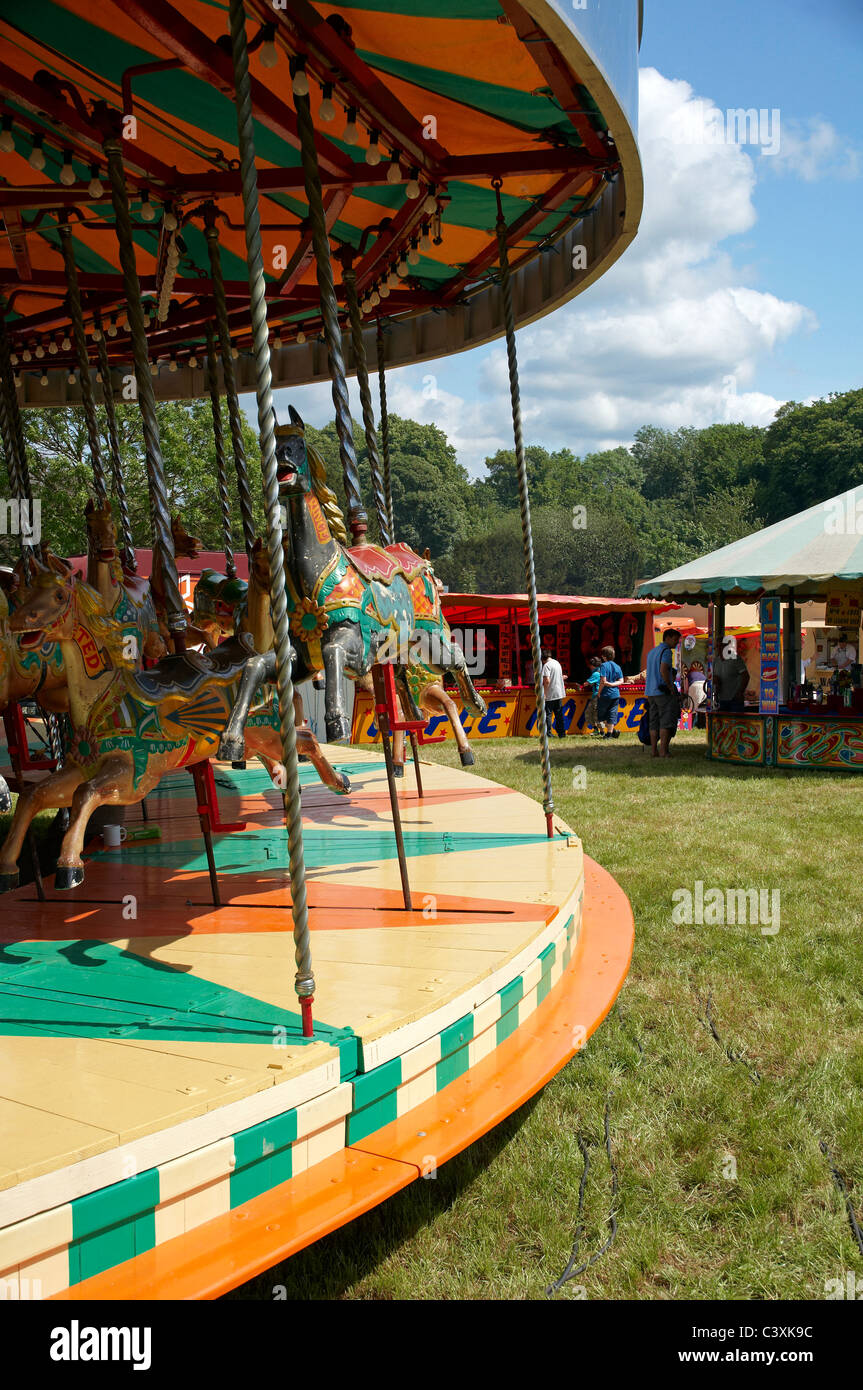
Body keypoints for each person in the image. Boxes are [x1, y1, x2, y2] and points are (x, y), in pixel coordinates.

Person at [645, 628, 681, 758]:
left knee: (653, 722)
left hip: (650, 692)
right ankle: (663, 751)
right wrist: (671, 687)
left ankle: (654, 750)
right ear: (668, 637)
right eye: (676, 640)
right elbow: (664, 670)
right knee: (666, 721)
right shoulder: (666, 651)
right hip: (662, 692)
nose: (677, 643)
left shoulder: (652, 652)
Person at [713, 637, 749, 710]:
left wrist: (740, 692)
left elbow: (746, 676)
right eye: (718, 646)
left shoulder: (735, 658)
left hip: (735, 700)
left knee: (736, 721)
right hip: (721, 700)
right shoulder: (716, 661)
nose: (719, 648)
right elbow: (715, 677)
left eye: (722, 645)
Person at [597, 644, 624, 738]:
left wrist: (599, 692)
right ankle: (610, 733)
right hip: (615, 694)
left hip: (605, 694)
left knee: (602, 715)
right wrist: (613, 684)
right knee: (612, 714)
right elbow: (621, 681)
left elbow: (603, 681)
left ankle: (606, 732)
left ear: (604, 656)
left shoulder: (603, 666)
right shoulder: (617, 666)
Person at [541, 646, 567, 738]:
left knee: (548, 714)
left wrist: (544, 693)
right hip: (559, 693)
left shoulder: (546, 665)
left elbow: (547, 680)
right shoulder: (557, 663)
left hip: (550, 693)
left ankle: (548, 733)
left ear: (543, 658)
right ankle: (562, 733)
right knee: (559, 714)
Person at [582, 655, 603, 736]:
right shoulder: (601, 671)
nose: (589, 667)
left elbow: (586, 683)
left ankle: (600, 731)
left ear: (592, 665)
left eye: (590, 666)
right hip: (599, 696)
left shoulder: (596, 674)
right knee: (594, 714)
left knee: (592, 714)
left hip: (596, 697)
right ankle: (598, 730)